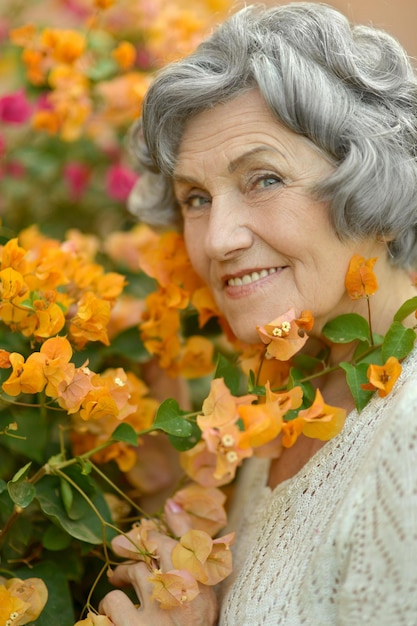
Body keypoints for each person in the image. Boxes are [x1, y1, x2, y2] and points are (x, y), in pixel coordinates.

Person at [99, 3, 417, 624]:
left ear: (371, 177)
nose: (217, 240)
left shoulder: (407, 435)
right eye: (195, 197)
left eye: (263, 179)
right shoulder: (284, 399)